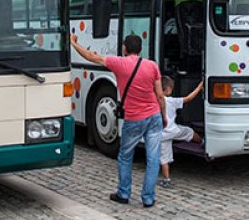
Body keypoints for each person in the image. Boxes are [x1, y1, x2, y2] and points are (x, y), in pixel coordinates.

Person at [70, 33, 167, 208]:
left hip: (134, 119)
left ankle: (123, 193)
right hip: (153, 116)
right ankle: (148, 198)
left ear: (124, 48)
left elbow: (92, 57)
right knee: (153, 159)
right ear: (140, 49)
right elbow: (160, 96)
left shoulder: (119, 63)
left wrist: (73, 44)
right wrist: (164, 116)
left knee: (125, 156)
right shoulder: (152, 66)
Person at [159, 76, 203, 188]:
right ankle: (202, 141)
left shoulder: (155, 101)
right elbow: (188, 98)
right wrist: (199, 87)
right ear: (168, 89)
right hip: (173, 131)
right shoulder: (172, 101)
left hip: (161, 135)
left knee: (164, 158)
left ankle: (166, 179)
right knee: (188, 131)